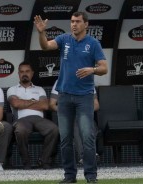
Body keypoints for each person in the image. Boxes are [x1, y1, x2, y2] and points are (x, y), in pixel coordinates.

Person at [34, 11, 108, 183]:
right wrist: (41, 32)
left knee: (87, 137)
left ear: (86, 24)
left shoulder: (93, 43)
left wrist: (93, 69)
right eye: (72, 21)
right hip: (65, 96)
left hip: (85, 97)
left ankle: (91, 176)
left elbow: (104, 68)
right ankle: (69, 176)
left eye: (78, 21)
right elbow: (45, 46)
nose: (74, 24)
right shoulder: (64, 39)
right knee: (66, 138)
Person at [7, 61, 59, 170]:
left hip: (39, 119)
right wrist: (34, 101)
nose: (24, 74)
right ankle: (26, 162)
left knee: (54, 129)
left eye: (27, 71)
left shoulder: (39, 89)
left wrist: (24, 103)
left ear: (32, 73)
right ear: (18, 74)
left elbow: (45, 105)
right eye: (22, 72)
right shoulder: (12, 89)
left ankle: (43, 160)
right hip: (21, 119)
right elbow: (16, 103)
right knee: (20, 130)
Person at [49, 80, 101, 165]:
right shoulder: (61, 81)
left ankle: (87, 156)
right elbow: (52, 105)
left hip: (85, 115)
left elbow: (96, 105)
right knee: (76, 123)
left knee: (86, 123)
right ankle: (87, 155)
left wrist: (83, 111)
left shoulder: (88, 81)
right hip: (67, 118)